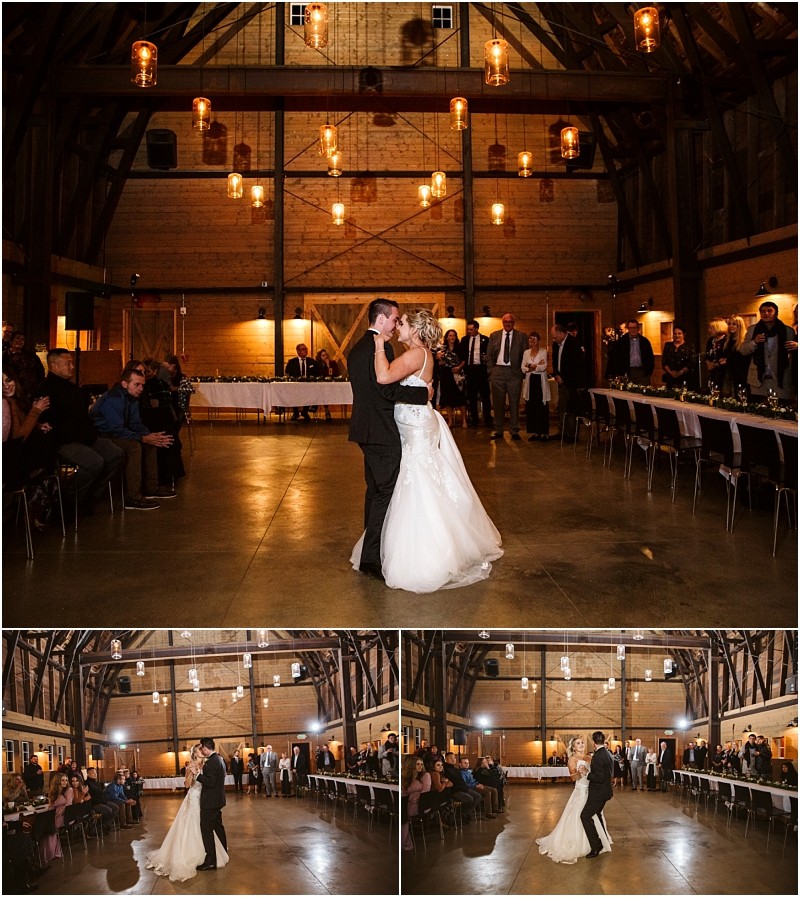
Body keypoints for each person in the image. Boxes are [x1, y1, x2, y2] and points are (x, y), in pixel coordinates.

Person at [351, 309, 503, 592]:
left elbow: (383, 377)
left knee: (418, 482)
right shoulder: (418, 354)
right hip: (415, 425)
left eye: (404, 323)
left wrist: (378, 345)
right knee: (419, 480)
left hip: (416, 428)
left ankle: (428, 552)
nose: (399, 326)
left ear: (416, 330)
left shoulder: (415, 354)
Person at [347, 298, 430, 581]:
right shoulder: (380, 347)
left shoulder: (357, 348)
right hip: (382, 431)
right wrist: (423, 394)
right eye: (395, 319)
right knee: (385, 493)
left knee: (374, 491)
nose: (396, 325)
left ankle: (370, 548)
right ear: (381, 319)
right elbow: (386, 391)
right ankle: (372, 558)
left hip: (364, 429)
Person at [38, 349, 124, 515]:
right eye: (68, 363)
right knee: (94, 462)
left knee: (115, 454)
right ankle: (69, 500)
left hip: (84, 436)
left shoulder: (73, 389)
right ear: (54, 366)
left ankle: (91, 495)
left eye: (72, 363)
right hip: (62, 441)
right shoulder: (45, 390)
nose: (72, 367)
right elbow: (49, 422)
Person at [89, 367, 174, 509]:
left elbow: (135, 423)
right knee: (134, 447)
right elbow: (115, 429)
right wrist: (142, 438)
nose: (141, 388)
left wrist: (149, 436)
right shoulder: (114, 399)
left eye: (142, 385)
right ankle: (133, 497)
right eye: (137, 385)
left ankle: (151, 487)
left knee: (151, 443)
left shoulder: (132, 397)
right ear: (124, 384)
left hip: (118, 432)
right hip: (102, 435)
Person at [146, 743, 229, 881]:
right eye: (200, 749)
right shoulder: (191, 765)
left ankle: (210, 854)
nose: (202, 751)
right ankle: (195, 854)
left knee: (207, 827)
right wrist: (192, 773)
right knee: (194, 824)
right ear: (195, 753)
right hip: (194, 798)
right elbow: (187, 784)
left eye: (203, 749)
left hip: (207, 800)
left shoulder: (207, 764)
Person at [536, 735, 612, 864]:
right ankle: (585, 844)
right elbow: (572, 778)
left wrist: (589, 773)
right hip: (580, 791)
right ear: (573, 747)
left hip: (593, 792)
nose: (581, 745)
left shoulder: (590, 757)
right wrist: (580, 773)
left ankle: (599, 840)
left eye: (582, 742)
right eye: (578, 743)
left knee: (594, 815)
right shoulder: (572, 759)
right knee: (581, 816)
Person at [140, 358, 183, 491]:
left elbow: (150, 408)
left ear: (154, 371)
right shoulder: (156, 384)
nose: (145, 374)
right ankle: (169, 476)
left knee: (161, 435)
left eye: (146, 371)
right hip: (165, 421)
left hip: (155, 422)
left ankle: (158, 478)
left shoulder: (149, 385)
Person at [740, 300, 795, 401]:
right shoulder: (752, 330)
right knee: (757, 408)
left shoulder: (788, 331)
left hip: (781, 379)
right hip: (758, 379)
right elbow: (743, 350)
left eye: (769, 311)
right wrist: (754, 342)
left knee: (780, 407)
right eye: (763, 311)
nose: (766, 313)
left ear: (776, 313)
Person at [487, 313, 526, 440]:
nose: (508, 324)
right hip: (497, 371)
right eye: (505, 322)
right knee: (498, 402)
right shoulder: (494, 335)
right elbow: (489, 355)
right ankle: (498, 429)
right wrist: (491, 370)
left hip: (514, 372)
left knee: (514, 402)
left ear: (513, 323)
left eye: (510, 322)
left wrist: (521, 372)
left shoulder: (521, 336)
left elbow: (525, 355)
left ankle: (514, 430)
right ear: (502, 323)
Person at [581, 731, 614, 859]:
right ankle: (604, 839)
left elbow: (599, 778)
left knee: (585, 816)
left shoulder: (599, 756)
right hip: (605, 791)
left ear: (594, 743)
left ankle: (596, 846)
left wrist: (587, 773)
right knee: (597, 815)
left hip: (598, 793)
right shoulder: (607, 753)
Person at [551, 323, 586, 439]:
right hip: (560, 380)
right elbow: (555, 361)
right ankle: (561, 432)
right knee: (562, 407)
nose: (554, 339)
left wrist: (564, 378)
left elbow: (577, 365)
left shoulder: (573, 343)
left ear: (562, 334)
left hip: (572, 382)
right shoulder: (556, 344)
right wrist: (556, 374)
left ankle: (571, 434)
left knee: (571, 408)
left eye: (555, 337)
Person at [458, 320, 493, 428]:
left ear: (477, 329)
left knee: (485, 395)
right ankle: (474, 420)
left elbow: (490, 354)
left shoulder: (485, 339)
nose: (469, 331)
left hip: (481, 369)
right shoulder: (465, 340)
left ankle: (488, 419)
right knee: (471, 396)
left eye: (471, 329)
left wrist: (487, 359)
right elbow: (462, 354)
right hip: (470, 369)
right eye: (468, 329)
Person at [436, 328, 467, 429]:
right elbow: (438, 363)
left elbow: (464, 360)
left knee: (460, 397)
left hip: (457, 375)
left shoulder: (460, 347)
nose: (452, 337)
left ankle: (464, 420)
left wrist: (459, 368)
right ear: (446, 337)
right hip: (446, 375)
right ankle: (450, 421)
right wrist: (442, 361)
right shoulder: (442, 349)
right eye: (450, 335)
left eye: (454, 335)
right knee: (447, 398)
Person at [522, 331, 550, 441]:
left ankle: (544, 432)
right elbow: (523, 368)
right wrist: (534, 366)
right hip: (530, 381)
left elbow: (543, 367)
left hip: (540, 381)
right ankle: (535, 432)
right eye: (530, 338)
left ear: (538, 340)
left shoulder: (543, 352)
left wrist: (530, 366)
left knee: (542, 407)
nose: (532, 340)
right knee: (532, 407)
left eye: (534, 338)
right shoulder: (526, 352)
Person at [40, 773, 73, 864]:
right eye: (62, 780)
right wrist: (50, 816)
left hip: (65, 816)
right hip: (54, 815)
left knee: (51, 828)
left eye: (66, 780)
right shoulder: (53, 792)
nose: (65, 782)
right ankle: (44, 854)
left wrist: (58, 814)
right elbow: (50, 807)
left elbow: (68, 805)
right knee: (44, 827)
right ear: (57, 781)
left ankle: (52, 853)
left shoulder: (69, 790)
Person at [401, 755, 431, 851]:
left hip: (422, 803)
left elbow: (426, 790)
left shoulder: (425, 775)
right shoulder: (406, 778)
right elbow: (404, 792)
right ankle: (405, 843)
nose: (420, 766)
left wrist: (415, 797)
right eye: (417, 764)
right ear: (411, 765)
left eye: (421, 764)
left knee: (403, 816)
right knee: (402, 814)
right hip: (409, 802)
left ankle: (405, 844)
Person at [3, 332, 45, 397]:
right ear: (11, 340)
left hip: (29, 391)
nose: (19, 341)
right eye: (17, 338)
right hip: (10, 389)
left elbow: (40, 372)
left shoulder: (31, 356)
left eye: (22, 339)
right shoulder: (4, 355)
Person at [285, 343, 318, 420]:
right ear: (298, 351)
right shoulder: (292, 362)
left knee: (312, 392)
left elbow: (316, 373)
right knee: (293, 392)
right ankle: (295, 412)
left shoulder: (312, 361)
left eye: (306, 349)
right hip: (295, 385)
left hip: (308, 385)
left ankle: (305, 411)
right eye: (303, 349)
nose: (305, 351)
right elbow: (287, 373)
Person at [661, 325, 696, 389]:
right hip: (670, 377)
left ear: (684, 334)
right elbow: (664, 362)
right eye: (675, 333)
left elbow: (692, 362)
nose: (677, 335)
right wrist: (671, 372)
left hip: (685, 377)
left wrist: (679, 373)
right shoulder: (668, 346)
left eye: (679, 333)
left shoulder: (689, 346)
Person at [725, 315, 752, 397]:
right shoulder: (728, 339)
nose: (731, 326)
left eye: (734, 324)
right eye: (729, 324)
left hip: (744, 373)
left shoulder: (745, 339)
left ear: (740, 326)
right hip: (732, 372)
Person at [704, 318, 730, 392]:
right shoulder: (710, 340)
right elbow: (707, 355)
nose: (709, 330)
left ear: (718, 328)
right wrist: (708, 363)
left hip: (724, 373)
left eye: (711, 328)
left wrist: (715, 365)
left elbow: (727, 358)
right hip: (712, 372)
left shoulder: (726, 340)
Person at [315, 348, 340, 420]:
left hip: (332, 384)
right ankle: (326, 410)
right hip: (322, 385)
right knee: (323, 392)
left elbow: (335, 373)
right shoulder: (318, 365)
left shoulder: (333, 363)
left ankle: (326, 410)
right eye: (323, 355)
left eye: (326, 355)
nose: (325, 357)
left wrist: (328, 365)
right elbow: (320, 374)